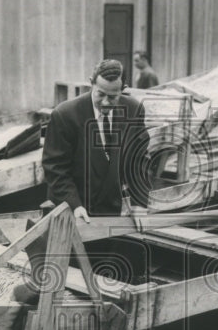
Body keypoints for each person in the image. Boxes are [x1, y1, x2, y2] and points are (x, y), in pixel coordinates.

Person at [42, 58, 150, 223]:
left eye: (113, 97)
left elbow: (139, 160)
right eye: (100, 94)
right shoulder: (65, 115)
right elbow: (55, 169)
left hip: (111, 209)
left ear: (123, 89)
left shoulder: (133, 110)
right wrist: (74, 205)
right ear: (91, 83)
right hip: (71, 209)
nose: (106, 103)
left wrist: (139, 204)